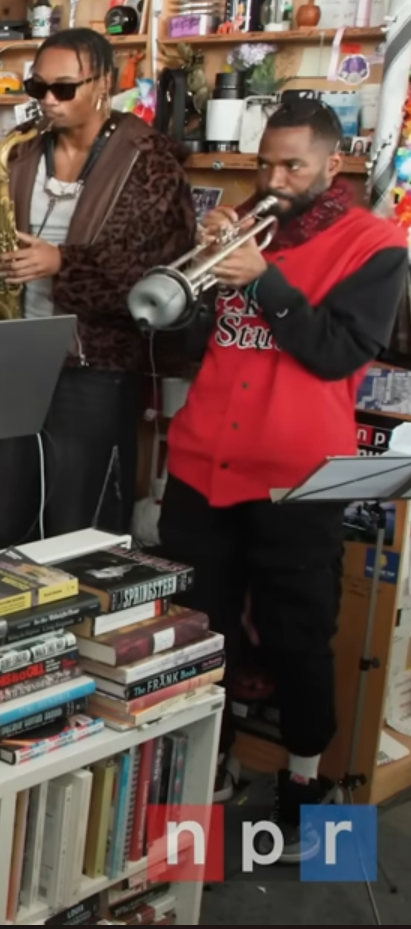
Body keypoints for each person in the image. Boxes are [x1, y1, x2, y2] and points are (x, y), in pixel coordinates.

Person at [157, 98, 407, 861]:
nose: (271, 178)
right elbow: (192, 340)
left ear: (334, 164)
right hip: (202, 460)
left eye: (291, 165)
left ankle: (309, 792)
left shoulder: (375, 244)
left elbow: (337, 352)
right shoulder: (238, 226)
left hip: (299, 473)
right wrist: (195, 279)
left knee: (301, 632)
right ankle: (208, 780)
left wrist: (261, 279)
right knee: (200, 631)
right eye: (264, 162)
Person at [0, 29, 194, 549]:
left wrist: (60, 264)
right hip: (17, 354)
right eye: (37, 86)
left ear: (104, 85)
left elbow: (154, 281)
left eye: (64, 88)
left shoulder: (150, 161)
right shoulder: (20, 150)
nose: (48, 100)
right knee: (4, 518)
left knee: (78, 526)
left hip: (96, 369)